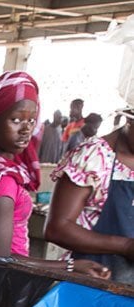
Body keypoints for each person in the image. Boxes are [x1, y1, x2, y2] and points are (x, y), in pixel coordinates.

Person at [0, 72, 109, 280]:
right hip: (0, 285)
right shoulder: (2, 180)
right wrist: (70, 266)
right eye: (16, 119)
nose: (26, 129)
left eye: (31, 120)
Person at [45, 111, 134, 284]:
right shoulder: (94, 156)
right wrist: (126, 246)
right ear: (130, 117)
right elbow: (57, 228)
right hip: (91, 282)